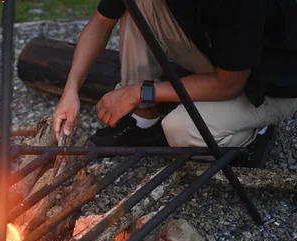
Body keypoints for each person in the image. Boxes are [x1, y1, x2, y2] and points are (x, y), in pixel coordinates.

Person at [52, 0, 297, 156]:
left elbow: (229, 85)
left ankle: (255, 131)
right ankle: (142, 121)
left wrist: (140, 91)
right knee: (137, 4)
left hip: (273, 81)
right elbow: (101, 22)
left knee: (180, 131)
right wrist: (70, 90)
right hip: (227, 60)